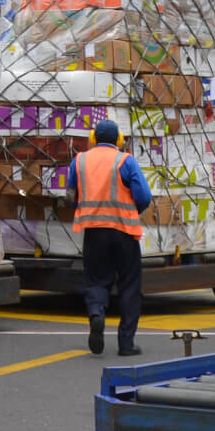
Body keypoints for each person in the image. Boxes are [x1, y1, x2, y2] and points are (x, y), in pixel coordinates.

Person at [69, 118, 153, 357]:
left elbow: (70, 195)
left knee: (96, 281)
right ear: (119, 140)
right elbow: (144, 196)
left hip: (94, 232)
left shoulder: (79, 161)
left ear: (93, 139)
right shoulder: (126, 161)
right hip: (124, 232)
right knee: (129, 285)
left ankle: (96, 313)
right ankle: (126, 344)